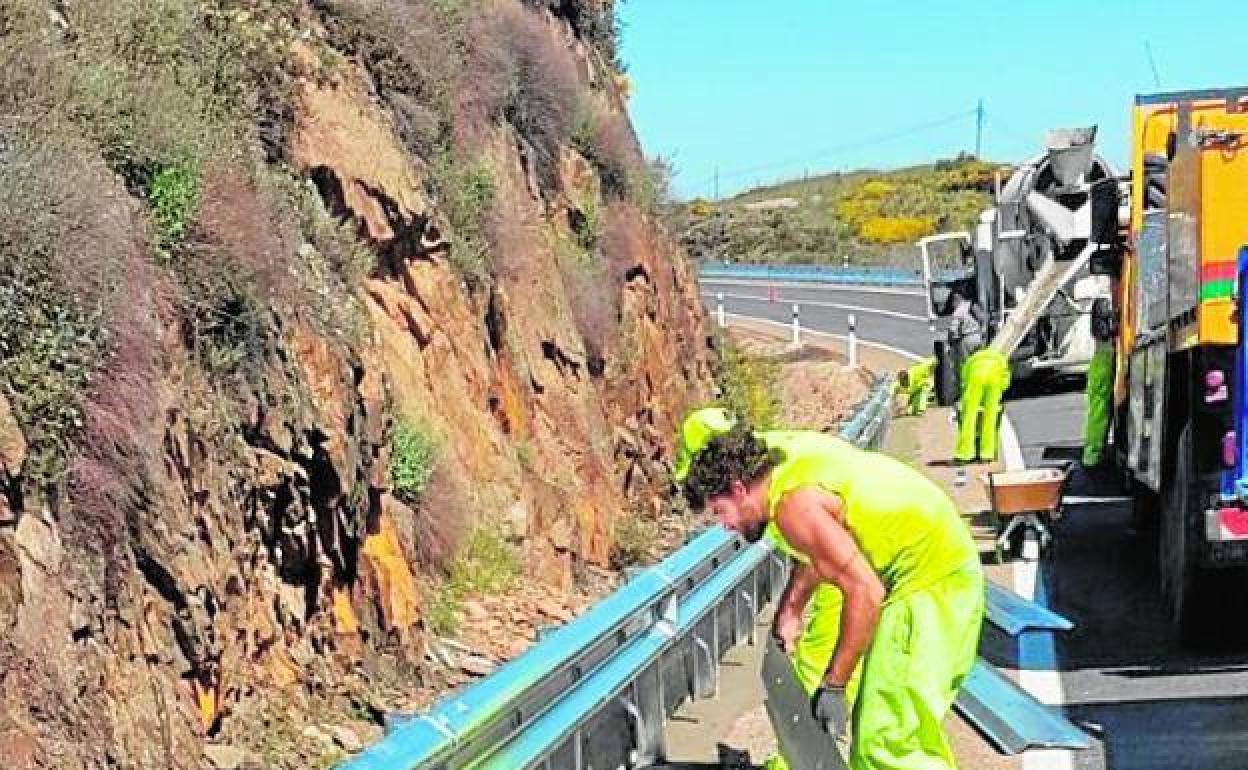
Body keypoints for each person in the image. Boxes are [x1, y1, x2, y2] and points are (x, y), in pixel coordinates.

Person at [682, 423, 984, 770]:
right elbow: (822, 553)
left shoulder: (793, 506)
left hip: (931, 584)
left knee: (889, 738)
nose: (725, 526)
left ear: (739, 489)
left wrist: (834, 685)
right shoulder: (787, 474)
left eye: (720, 511)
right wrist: (791, 609)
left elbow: (865, 591)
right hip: (934, 572)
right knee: (880, 727)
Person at [673, 409, 861, 769]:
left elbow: (822, 549)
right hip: (857, 564)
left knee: (814, 680)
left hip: (858, 573)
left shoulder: (776, 485)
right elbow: (812, 549)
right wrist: (791, 607)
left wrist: (834, 682)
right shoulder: (767, 462)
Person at [953, 347, 1011, 465]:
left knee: (968, 417)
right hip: (994, 380)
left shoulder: (971, 360)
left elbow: (964, 380)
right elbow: (1005, 379)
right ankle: (987, 454)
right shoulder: (999, 358)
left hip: (975, 380)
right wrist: (998, 392)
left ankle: (965, 454)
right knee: (990, 417)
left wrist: (969, 399)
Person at [1082, 298, 1115, 467]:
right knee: (1100, 413)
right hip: (1104, 367)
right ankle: (1092, 455)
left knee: (1097, 413)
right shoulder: (1107, 336)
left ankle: (1092, 453)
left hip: (1098, 367)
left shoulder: (1098, 332)